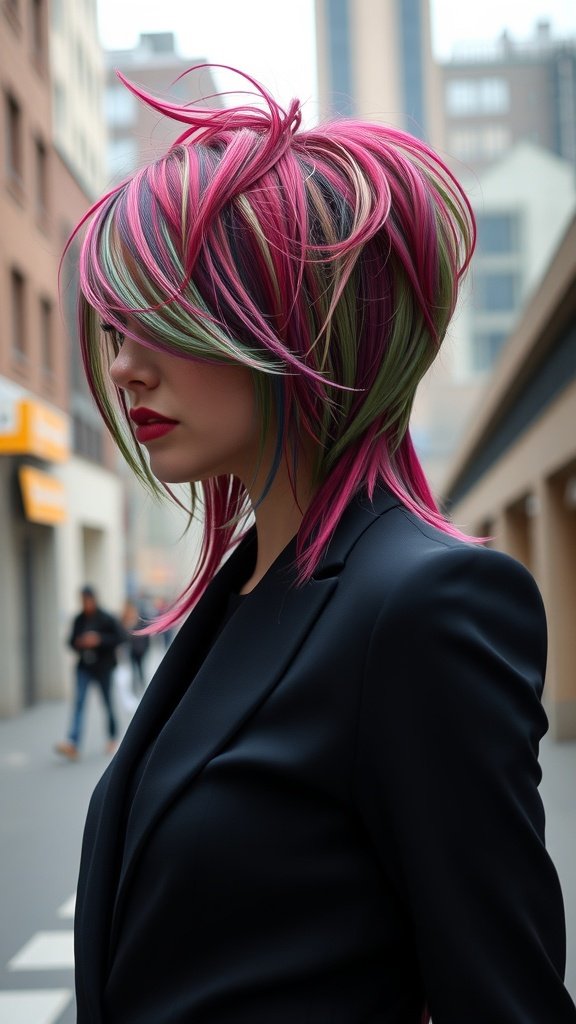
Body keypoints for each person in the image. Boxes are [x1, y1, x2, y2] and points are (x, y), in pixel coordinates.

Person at [66, 68, 576, 1023]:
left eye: (160, 320)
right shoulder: (245, 590)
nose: (124, 364)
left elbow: (503, 999)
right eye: (113, 327)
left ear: (292, 314)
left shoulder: (425, 606)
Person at [55, 585, 124, 761]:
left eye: (88, 600)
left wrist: (99, 640)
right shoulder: (79, 620)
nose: (86, 604)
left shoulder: (107, 618)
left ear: (94, 599)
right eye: (83, 601)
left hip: (103, 667)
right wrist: (79, 642)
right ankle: (73, 742)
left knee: (107, 702)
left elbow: (121, 637)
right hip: (84, 667)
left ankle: (112, 737)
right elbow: (69, 642)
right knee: (78, 703)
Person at [121, 598, 150, 693]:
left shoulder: (140, 619)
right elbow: (122, 636)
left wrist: (146, 648)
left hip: (140, 649)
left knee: (140, 667)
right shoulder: (124, 619)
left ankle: (142, 684)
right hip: (131, 649)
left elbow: (146, 635)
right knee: (133, 669)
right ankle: (134, 686)